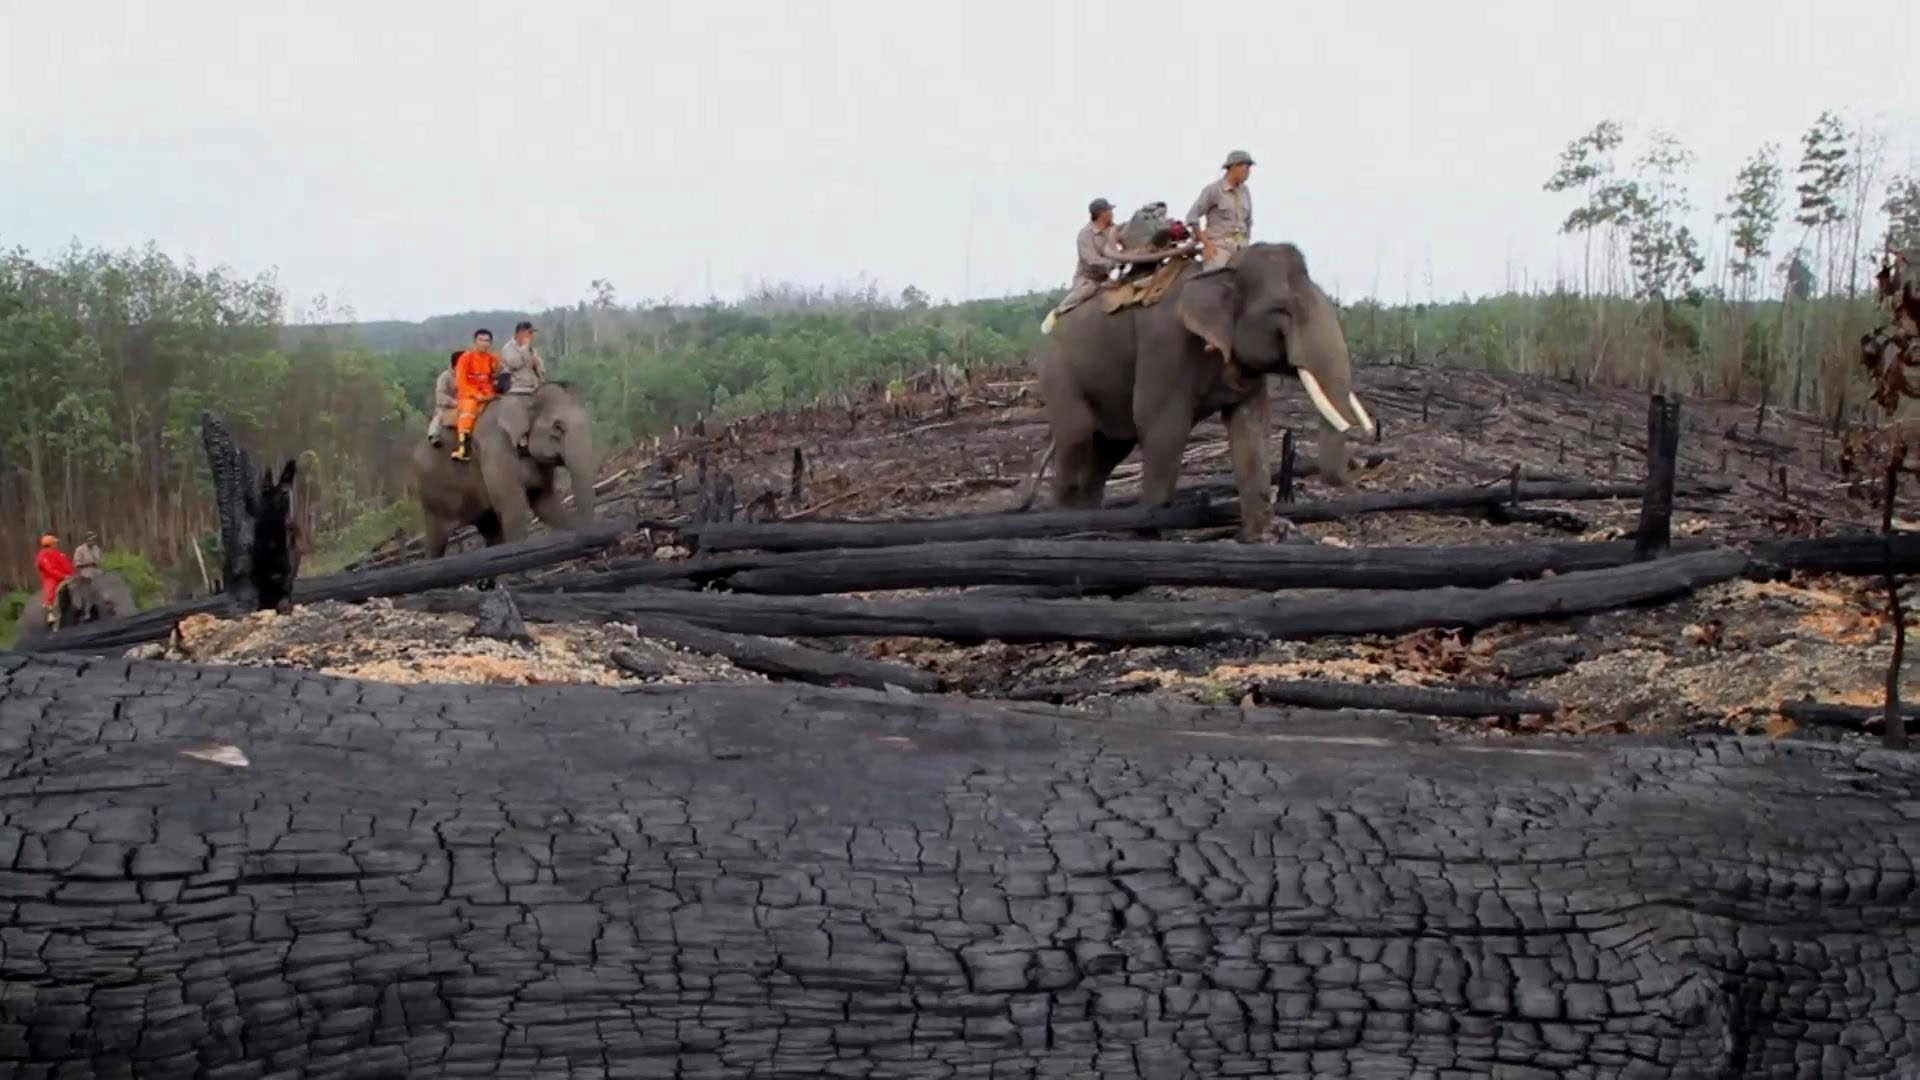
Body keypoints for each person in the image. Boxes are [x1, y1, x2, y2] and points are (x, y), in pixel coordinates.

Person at [1041, 198, 1124, 334]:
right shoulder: (1085, 235)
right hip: (1088, 278)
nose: (1112, 213)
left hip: (1109, 273)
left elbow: (1124, 239)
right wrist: (1112, 263)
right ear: (1102, 214)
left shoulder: (1112, 229)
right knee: (1088, 289)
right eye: (1110, 211)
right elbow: (1091, 260)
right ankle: (1057, 312)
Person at [1186, 149, 1255, 270]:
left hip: (1242, 248)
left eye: (1249, 167)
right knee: (1214, 279)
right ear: (1234, 167)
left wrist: (1246, 241)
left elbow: (1248, 221)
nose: (1248, 171)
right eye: (1246, 167)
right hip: (1220, 247)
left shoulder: (1245, 192)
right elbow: (1192, 217)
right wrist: (1207, 244)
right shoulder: (1214, 190)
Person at [495, 320, 548, 449]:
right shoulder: (508, 348)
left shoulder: (531, 349)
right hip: (516, 387)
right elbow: (515, 363)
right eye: (529, 333)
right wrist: (524, 349)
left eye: (532, 333)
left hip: (533, 385)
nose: (531, 336)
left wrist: (537, 363)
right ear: (520, 333)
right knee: (518, 410)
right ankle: (520, 438)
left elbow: (540, 367)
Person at [450, 328, 499, 462]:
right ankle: (463, 448)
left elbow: (497, 375)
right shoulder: (466, 358)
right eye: (481, 340)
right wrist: (475, 395)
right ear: (475, 341)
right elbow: (461, 381)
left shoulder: (492, 359)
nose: (484, 343)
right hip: (469, 395)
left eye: (487, 341)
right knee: (468, 410)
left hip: (488, 393)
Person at [35, 535, 72, 630]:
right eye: (54, 542)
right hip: (51, 578)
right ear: (50, 544)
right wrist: (62, 576)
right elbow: (49, 570)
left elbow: (65, 566)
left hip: (64, 576)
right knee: (50, 591)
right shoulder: (43, 556)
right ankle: (51, 613)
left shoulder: (57, 553)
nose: (56, 544)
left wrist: (70, 573)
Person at [427, 350, 460, 446]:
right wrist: (453, 402)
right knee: (439, 417)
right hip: (447, 406)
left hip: (466, 404)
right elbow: (440, 394)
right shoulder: (445, 377)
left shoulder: (468, 375)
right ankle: (433, 435)